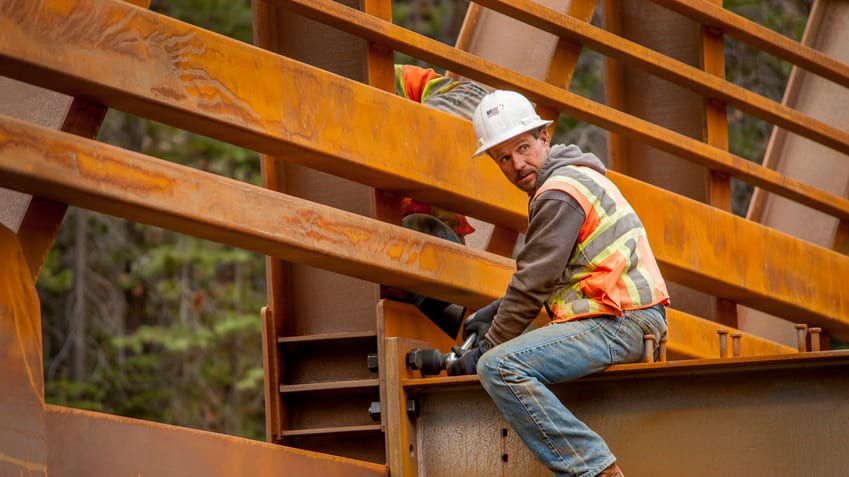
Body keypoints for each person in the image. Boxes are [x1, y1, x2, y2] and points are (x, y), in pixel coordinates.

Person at [447, 90, 670, 477]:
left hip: (621, 322)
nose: (517, 164)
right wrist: (496, 312)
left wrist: (485, 346)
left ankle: (594, 470)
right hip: (625, 320)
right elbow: (548, 277)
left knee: (498, 367)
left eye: (523, 147)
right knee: (501, 358)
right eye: (504, 157)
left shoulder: (559, 194)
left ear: (544, 138)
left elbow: (533, 283)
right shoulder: (574, 179)